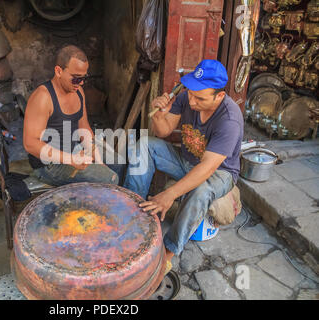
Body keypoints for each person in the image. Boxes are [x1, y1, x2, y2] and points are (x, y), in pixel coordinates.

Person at [123, 59, 244, 273]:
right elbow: (163, 131)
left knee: (201, 189)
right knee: (145, 145)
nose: (192, 101)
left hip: (219, 172)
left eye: (200, 98)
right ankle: (131, 213)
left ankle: (168, 252)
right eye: (191, 93)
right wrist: (160, 114)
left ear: (220, 96)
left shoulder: (230, 119)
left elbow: (207, 168)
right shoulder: (186, 97)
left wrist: (169, 195)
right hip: (185, 160)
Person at [23, 45, 120, 186]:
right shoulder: (43, 97)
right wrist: (71, 159)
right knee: (110, 178)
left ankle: (125, 203)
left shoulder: (78, 91)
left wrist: (98, 161)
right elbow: (30, 144)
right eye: (75, 78)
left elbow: (84, 127)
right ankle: (105, 205)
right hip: (49, 165)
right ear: (58, 71)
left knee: (118, 163)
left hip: (73, 150)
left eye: (83, 78)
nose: (80, 83)